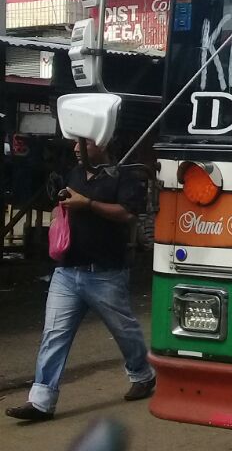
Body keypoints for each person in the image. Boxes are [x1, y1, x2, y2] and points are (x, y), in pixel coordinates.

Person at [5, 139, 156, 422]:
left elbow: (128, 213)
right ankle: (41, 401)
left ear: (101, 142)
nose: (76, 147)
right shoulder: (73, 174)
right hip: (66, 271)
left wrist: (87, 203)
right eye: (75, 141)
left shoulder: (123, 176)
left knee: (124, 331)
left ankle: (143, 374)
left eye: (83, 142)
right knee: (54, 335)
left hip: (106, 272)